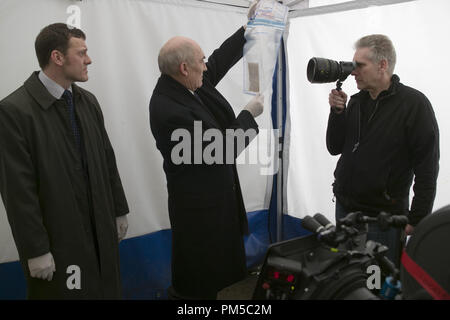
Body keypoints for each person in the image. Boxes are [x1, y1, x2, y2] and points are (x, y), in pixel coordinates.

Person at [0, 23, 129, 299]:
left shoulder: (87, 102)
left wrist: (119, 208)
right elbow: (18, 191)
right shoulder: (14, 112)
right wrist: (35, 250)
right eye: (82, 53)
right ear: (57, 58)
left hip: (100, 231)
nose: (89, 59)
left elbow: (107, 160)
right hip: (59, 243)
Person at [149, 7, 264, 299]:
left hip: (216, 202)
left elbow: (218, 60)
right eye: (199, 62)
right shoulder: (169, 109)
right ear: (184, 68)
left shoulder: (186, 84)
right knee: (201, 281)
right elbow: (221, 150)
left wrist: (249, 28)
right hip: (200, 215)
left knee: (216, 277)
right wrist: (248, 116)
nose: (205, 66)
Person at [326, 34, 439, 267]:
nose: (353, 71)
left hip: (382, 219)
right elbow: (334, 147)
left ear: (382, 65)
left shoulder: (414, 104)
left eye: (360, 65)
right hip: (345, 209)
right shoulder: (357, 101)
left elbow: (427, 166)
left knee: (377, 284)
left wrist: (417, 218)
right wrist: (337, 113)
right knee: (349, 276)